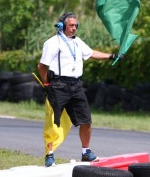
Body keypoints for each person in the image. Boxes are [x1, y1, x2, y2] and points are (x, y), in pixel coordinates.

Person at [38, 12, 124, 167]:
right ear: (62, 26)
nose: (74, 28)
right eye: (71, 25)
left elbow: (92, 53)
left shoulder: (78, 42)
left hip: (76, 85)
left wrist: (111, 56)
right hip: (58, 84)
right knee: (54, 121)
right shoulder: (52, 43)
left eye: (76, 25)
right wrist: (47, 85)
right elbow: (42, 66)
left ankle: (86, 152)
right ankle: (49, 154)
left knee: (86, 121)